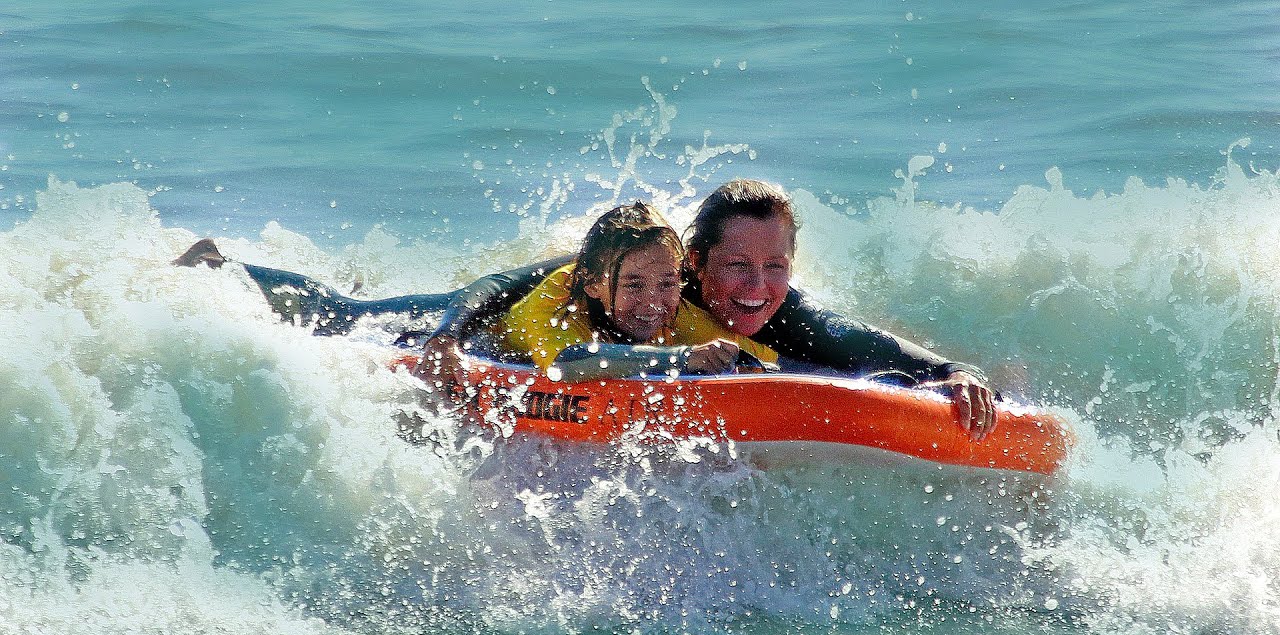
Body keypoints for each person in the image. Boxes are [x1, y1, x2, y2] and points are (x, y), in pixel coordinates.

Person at [175, 179, 996, 439]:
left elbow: (852, 346)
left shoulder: (774, 310)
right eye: (736, 266)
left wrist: (947, 374)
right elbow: (497, 300)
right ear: (695, 261)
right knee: (343, 312)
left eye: (775, 267)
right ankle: (223, 269)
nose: (755, 288)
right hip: (486, 330)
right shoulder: (612, 277)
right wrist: (444, 336)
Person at [496, 201, 775, 381]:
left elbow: (764, 361)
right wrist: (683, 358)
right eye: (634, 285)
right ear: (593, 285)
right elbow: (565, 364)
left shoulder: (677, 316)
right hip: (494, 349)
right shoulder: (556, 302)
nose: (653, 303)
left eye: (667, 283)